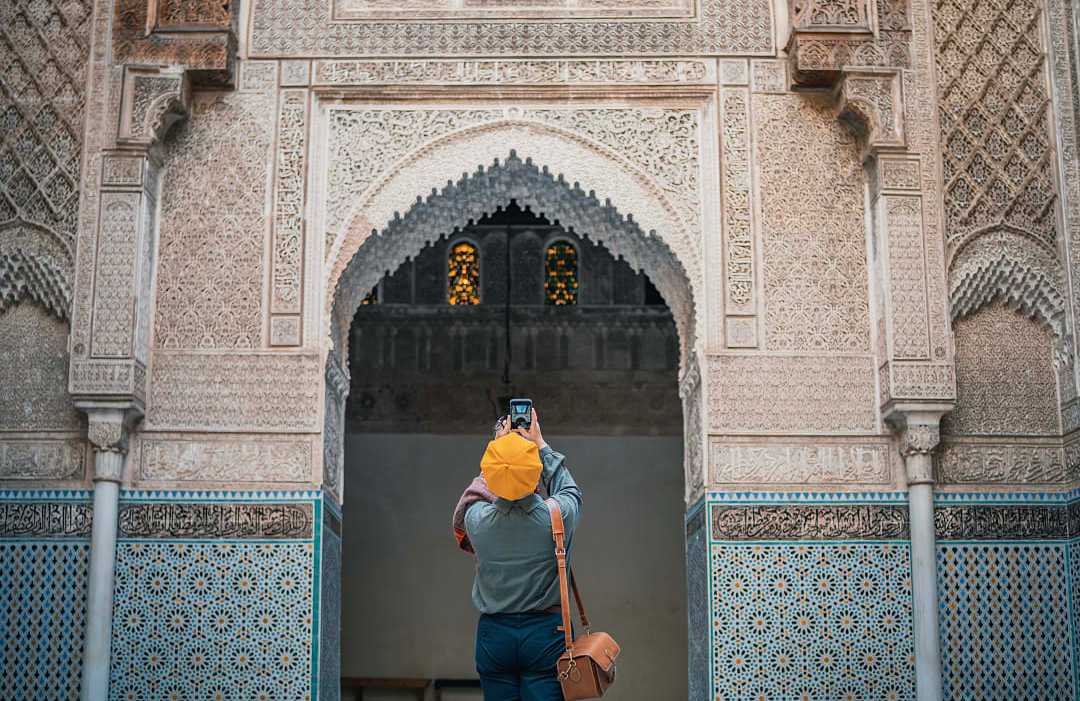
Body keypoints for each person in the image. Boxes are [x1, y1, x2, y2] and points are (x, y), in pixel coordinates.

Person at [453, 409, 582, 701]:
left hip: (494, 635)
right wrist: (540, 444)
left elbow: (478, 490)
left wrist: (501, 451)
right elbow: (568, 487)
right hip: (546, 634)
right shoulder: (557, 516)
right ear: (535, 473)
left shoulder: (476, 520)